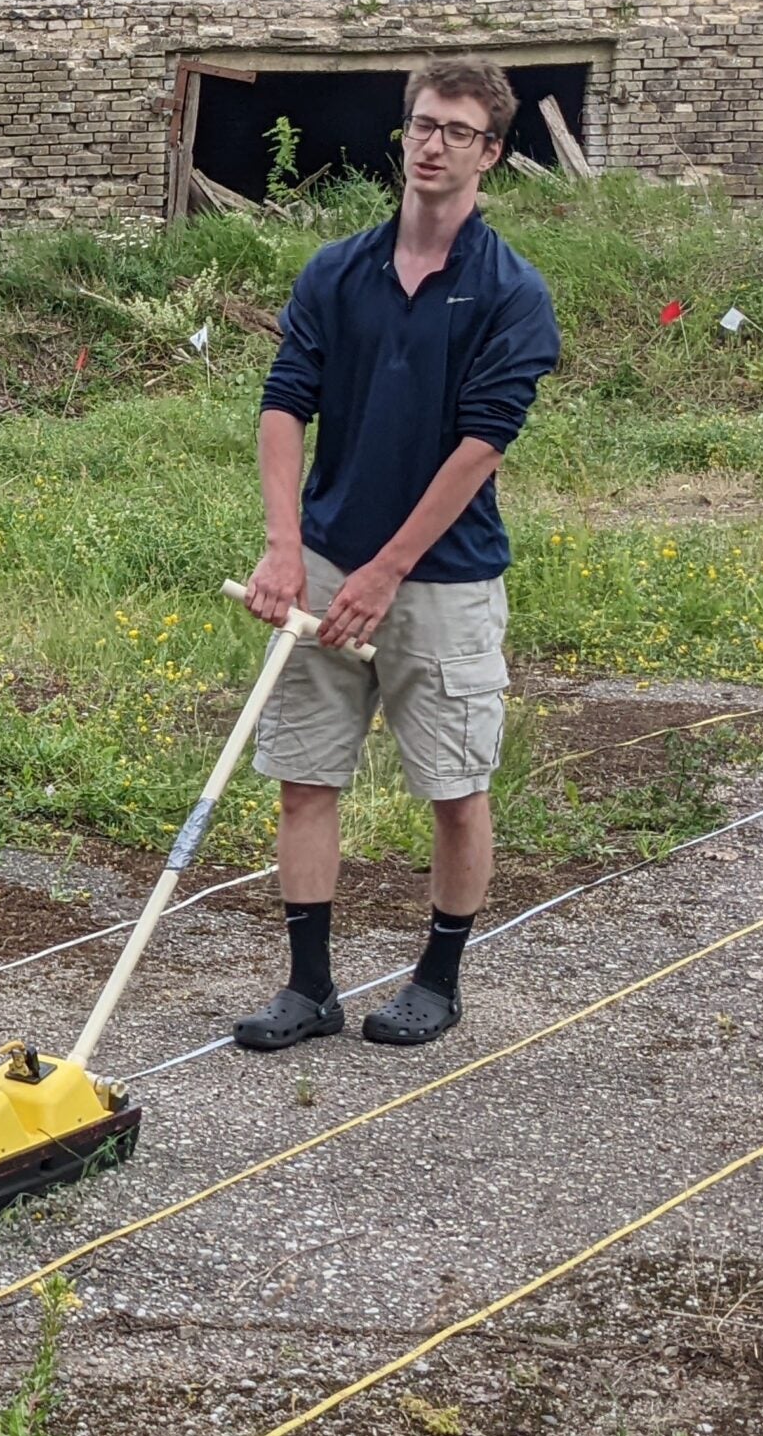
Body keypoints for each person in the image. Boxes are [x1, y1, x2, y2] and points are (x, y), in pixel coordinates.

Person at [234, 57, 562, 1054]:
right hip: (327, 559)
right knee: (304, 774)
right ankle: (308, 988)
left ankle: (438, 978)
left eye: (457, 132)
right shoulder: (337, 270)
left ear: (490, 154)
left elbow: (479, 446)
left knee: (455, 786)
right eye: (422, 124)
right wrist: (286, 549)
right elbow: (285, 403)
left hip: (445, 579)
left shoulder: (512, 293)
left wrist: (389, 571)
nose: (432, 144)